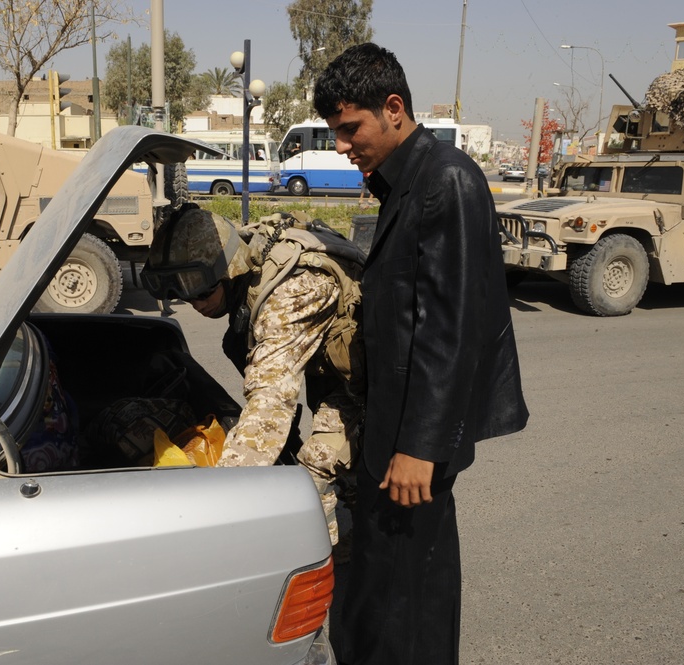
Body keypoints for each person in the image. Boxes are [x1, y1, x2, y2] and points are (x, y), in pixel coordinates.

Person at [313, 43, 529, 664]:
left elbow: (449, 331)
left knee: (412, 594)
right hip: (393, 426)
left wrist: (420, 450)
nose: (342, 146)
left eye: (351, 129)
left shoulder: (447, 181)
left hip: (415, 442)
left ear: (394, 108)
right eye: (336, 132)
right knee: (386, 587)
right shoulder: (403, 182)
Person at [140, 205, 365, 546]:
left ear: (229, 271)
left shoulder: (291, 293)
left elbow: (270, 401)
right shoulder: (248, 257)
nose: (195, 303)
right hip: (338, 369)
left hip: (380, 381)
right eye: (180, 291)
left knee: (315, 468)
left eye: (200, 288)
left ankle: (323, 559)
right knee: (341, 464)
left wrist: (222, 496)